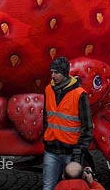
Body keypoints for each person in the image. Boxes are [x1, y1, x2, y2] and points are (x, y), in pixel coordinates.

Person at [42, 56, 92, 190]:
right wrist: (45, 137)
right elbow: (46, 118)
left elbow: (87, 126)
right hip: (51, 149)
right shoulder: (48, 90)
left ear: (65, 73)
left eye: (56, 72)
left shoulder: (80, 94)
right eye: (51, 72)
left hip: (71, 151)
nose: (52, 76)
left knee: (73, 187)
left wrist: (80, 149)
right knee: (48, 187)